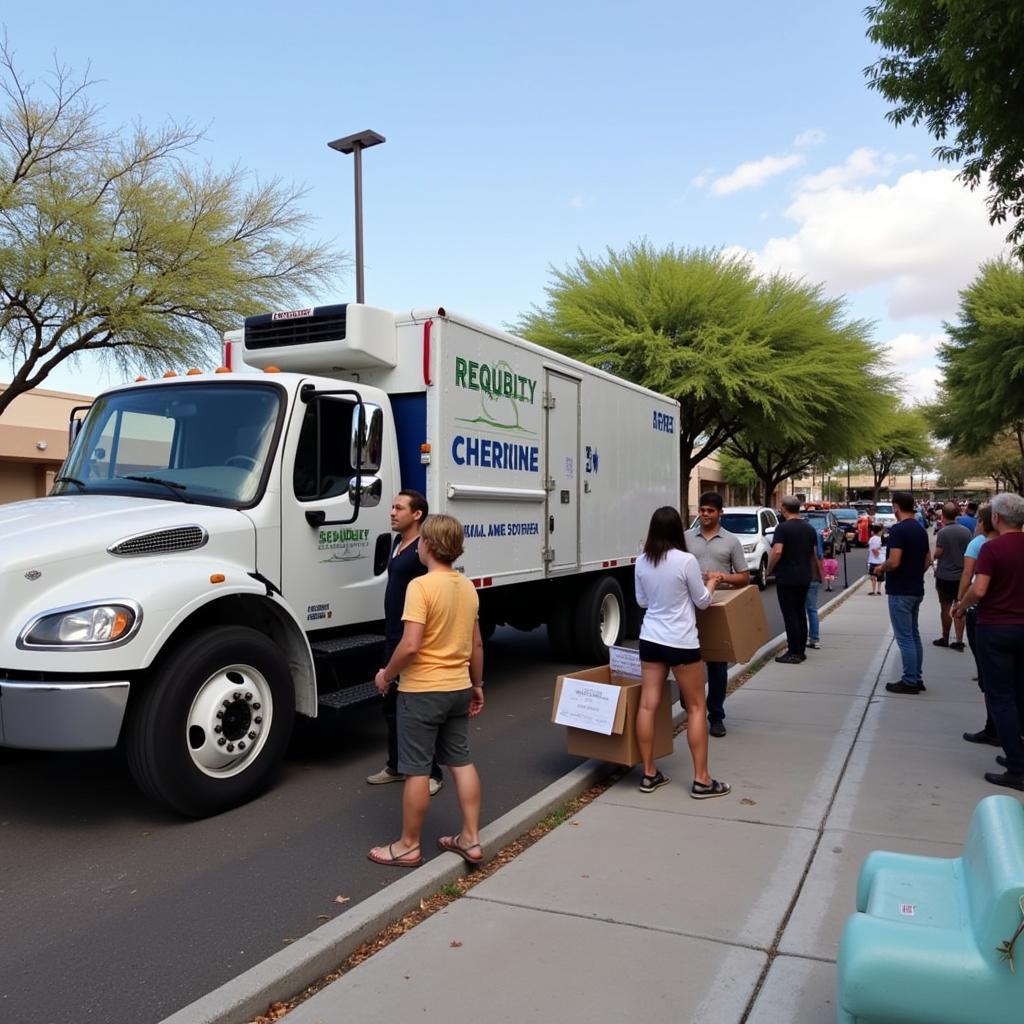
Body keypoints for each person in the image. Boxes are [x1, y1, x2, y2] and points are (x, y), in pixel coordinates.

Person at [368, 514, 485, 867]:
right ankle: (471, 838)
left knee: (417, 770)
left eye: (420, 541)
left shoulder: (419, 587)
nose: (417, 545)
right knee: (461, 763)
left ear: (429, 545)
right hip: (458, 687)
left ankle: (408, 845)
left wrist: (386, 675)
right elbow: (477, 644)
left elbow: (410, 645)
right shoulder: (467, 586)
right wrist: (477, 685)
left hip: (422, 692)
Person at [634, 506, 730, 799]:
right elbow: (702, 602)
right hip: (682, 641)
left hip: (650, 637)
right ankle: (702, 779)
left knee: (648, 705)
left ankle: (649, 773)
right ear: (678, 530)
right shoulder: (686, 560)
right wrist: (712, 582)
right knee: (697, 708)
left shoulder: (641, 560)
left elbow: (641, 601)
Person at [366, 490, 445, 797]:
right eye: (392, 507)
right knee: (391, 706)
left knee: (417, 709)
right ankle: (397, 766)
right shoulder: (398, 545)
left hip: (413, 639)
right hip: (393, 636)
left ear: (417, 515)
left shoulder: (421, 552)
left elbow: (435, 592)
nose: (392, 512)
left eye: (399, 508)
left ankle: (433, 773)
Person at [952, 492, 1024, 791]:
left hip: (996, 627)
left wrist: (961, 605)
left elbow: (979, 589)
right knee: (1020, 691)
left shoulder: (992, 549)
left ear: (996, 518)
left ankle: (1017, 766)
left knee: (1000, 695)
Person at [685, 492, 750, 738]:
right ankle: (691, 708)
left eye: (710, 511)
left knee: (718, 666)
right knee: (687, 660)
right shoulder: (686, 538)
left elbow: (744, 577)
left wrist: (721, 577)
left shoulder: (731, 541)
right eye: (702, 510)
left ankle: (716, 717)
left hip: (718, 606)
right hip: (690, 606)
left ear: (720, 513)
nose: (705, 514)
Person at [873, 491, 932, 695]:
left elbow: (894, 561)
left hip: (900, 590)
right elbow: (928, 560)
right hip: (916, 588)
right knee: (914, 635)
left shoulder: (898, 531)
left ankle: (909, 681)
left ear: (896, 507)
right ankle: (916, 677)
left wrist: (881, 568)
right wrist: (915, 573)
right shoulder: (920, 529)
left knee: (904, 637)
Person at [958, 505, 1000, 746]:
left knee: (988, 675)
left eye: (977, 521)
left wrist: (960, 603)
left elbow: (971, 579)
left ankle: (994, 728)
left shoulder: (983, 546)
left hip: (987, 617)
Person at [768, 495, 819, 664]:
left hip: (787, 576)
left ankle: (793, 652)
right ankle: (801, 650)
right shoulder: (809, 529)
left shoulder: (782, 528)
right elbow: (812, 553)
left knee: (790, 615)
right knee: (800, 613)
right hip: (804, 576)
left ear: (783, 508)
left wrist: (769, 569)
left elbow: (777, 551)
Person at [932, 502, 972, 652]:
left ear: (943, 516)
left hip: (945, 575)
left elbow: (938, 553)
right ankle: (960, 639)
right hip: (962, 576)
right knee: (960, 606)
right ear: (957, 514)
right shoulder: (966, 532)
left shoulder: (943, 532)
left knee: (945, 607)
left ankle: (945, 637)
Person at [805, 528, 826, 649]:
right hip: (814, 574)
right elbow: (820, 555)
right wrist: (821, 573)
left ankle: (801, 637)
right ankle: (815, 638)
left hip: (800, 575)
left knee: (799, 610)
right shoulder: (816, 534)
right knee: (812, 609)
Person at [867, 523, 885, 595]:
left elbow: (870, 549)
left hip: (872, 560)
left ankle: (873, 590)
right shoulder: (882, 539)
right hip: (881, 560)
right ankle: (879, 590)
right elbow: (884, 548)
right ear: (880, 531)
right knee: (880, 576)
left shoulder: (871, 539)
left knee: (873, 576)